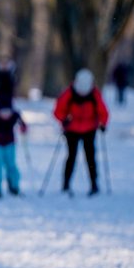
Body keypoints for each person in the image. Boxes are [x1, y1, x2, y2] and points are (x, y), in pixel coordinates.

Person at [54, 68, 109, 196]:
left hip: (89, 129)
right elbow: (58, 110)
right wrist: (64, 120)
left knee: (90, 157)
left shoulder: (94, 94)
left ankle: (94, 184)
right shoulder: (69, 93)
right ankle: (66, 184)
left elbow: (103, 112)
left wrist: (103, 124)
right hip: (72, 129)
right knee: (71, 157)